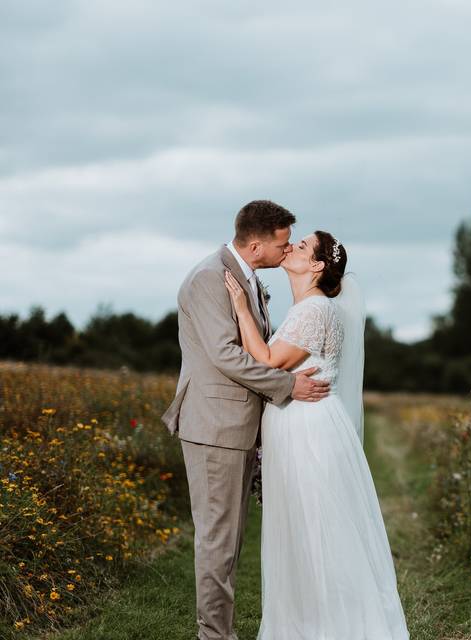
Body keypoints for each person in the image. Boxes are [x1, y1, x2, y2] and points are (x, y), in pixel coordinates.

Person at [224, 229, 409, 639]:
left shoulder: (315, 310)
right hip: (297, 428)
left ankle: (330, 627)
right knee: (301, 532)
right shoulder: (305, 308)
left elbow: (271, 359)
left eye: (302, 246)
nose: (292, 246)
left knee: (315, 531)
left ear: (318, 266)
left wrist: (239, 306)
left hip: (308, 433)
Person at [162, 200, 330, 640]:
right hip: (215, 427)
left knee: (229, 541)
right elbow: (225, 354)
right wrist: (286, 386)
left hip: (235, 426)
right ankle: (215, 636)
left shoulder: (246, 277)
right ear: (256, 245)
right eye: (282, 241)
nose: (289, 246)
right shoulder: (207, 279)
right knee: (218, 541)